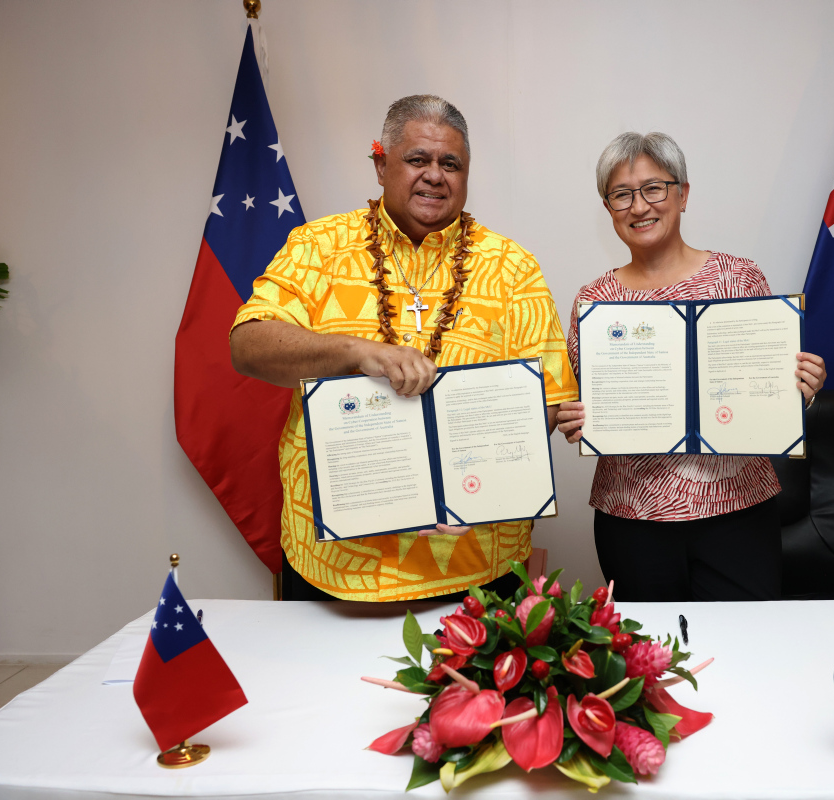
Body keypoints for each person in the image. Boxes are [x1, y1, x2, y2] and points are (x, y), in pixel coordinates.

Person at [230, 95, 578, 602]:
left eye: (450, 164)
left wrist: (476, 485)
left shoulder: (513, 268)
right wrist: (354, 352)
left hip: (477, 565)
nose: (435, 175)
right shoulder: (317, 247)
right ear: (381, 164)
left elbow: (546, 402)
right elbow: (248, 343)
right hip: (336, 569)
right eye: (418, 159)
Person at [556, 131, 827, 603]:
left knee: (743, 652)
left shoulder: (737, 278)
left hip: (738, 511)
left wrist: (799, 388)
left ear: (682, 193)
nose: (639, 206)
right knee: (649, 663)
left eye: (653, 189)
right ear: (608, 209)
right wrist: (571, 417)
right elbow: (578, 401)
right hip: (632, 516)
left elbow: (766, 379)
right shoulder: (594, 301)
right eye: (622, 195)